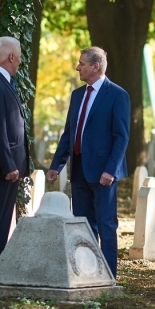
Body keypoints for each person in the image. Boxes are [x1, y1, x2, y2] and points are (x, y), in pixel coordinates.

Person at [47, 47, 130, 277]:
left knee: (106, 225)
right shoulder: (77, 95)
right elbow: (69, 133)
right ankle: (88, 273)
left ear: (96, 66)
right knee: (83, 225)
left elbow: (121, 136)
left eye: (82, 63)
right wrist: (57, 165)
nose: (77, 67)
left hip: (104, 172)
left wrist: (111, 170)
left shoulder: (117, 94)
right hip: (80, 170)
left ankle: (109, 276)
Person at [0, 36, 30, 262]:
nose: (20, 61)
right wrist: (8, 165)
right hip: (0, 169)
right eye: (19, 56)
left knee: (3, 222)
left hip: (7, 168)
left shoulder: (1, 80)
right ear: (11, 57)